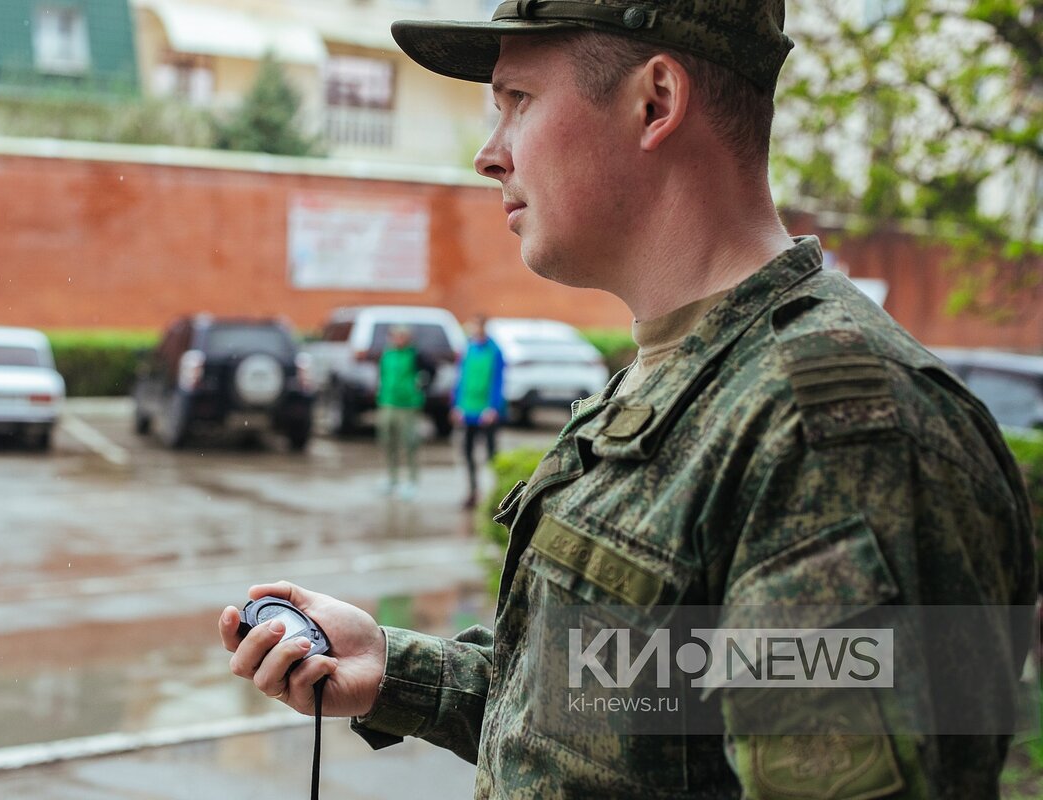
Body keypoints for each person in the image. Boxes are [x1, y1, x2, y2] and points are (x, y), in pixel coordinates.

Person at [220, 2, 1037, 797]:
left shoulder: (844, 440)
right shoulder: (677, 374)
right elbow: (640, 720)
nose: (489, 154)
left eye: (518, 102)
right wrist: (399, 672)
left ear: (655, 103)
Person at [451, 315, 505, 509]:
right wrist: (456, 404)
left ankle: (497, 494)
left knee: (491, 454)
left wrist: (493, 407)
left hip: (487, 411)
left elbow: (498, 381)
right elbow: (460, 377)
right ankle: (473, 491)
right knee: (467, 453)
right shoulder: (467, 349)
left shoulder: (495, 351)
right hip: (468, 409)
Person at [375, 324, 434, 500]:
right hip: (387, 403)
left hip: (408, 405)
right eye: (395, 336)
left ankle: (412, 480)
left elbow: (431, 371)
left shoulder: (415, 355)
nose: (398, 339)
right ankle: (392, 478)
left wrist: (421, 386)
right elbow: (381, 375)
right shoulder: (387, 354)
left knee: (409, 443)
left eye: (401, 336)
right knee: (387, 441)